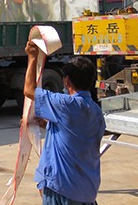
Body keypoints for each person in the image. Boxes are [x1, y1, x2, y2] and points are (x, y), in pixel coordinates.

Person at [24, 40, 106, 205]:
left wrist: (32, 58)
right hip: (86, 191)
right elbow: (76, 135)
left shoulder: (65, 104)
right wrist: (47, 125)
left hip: (63, 189)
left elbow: (29, 90)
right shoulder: (96, 112)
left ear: (66, 81)